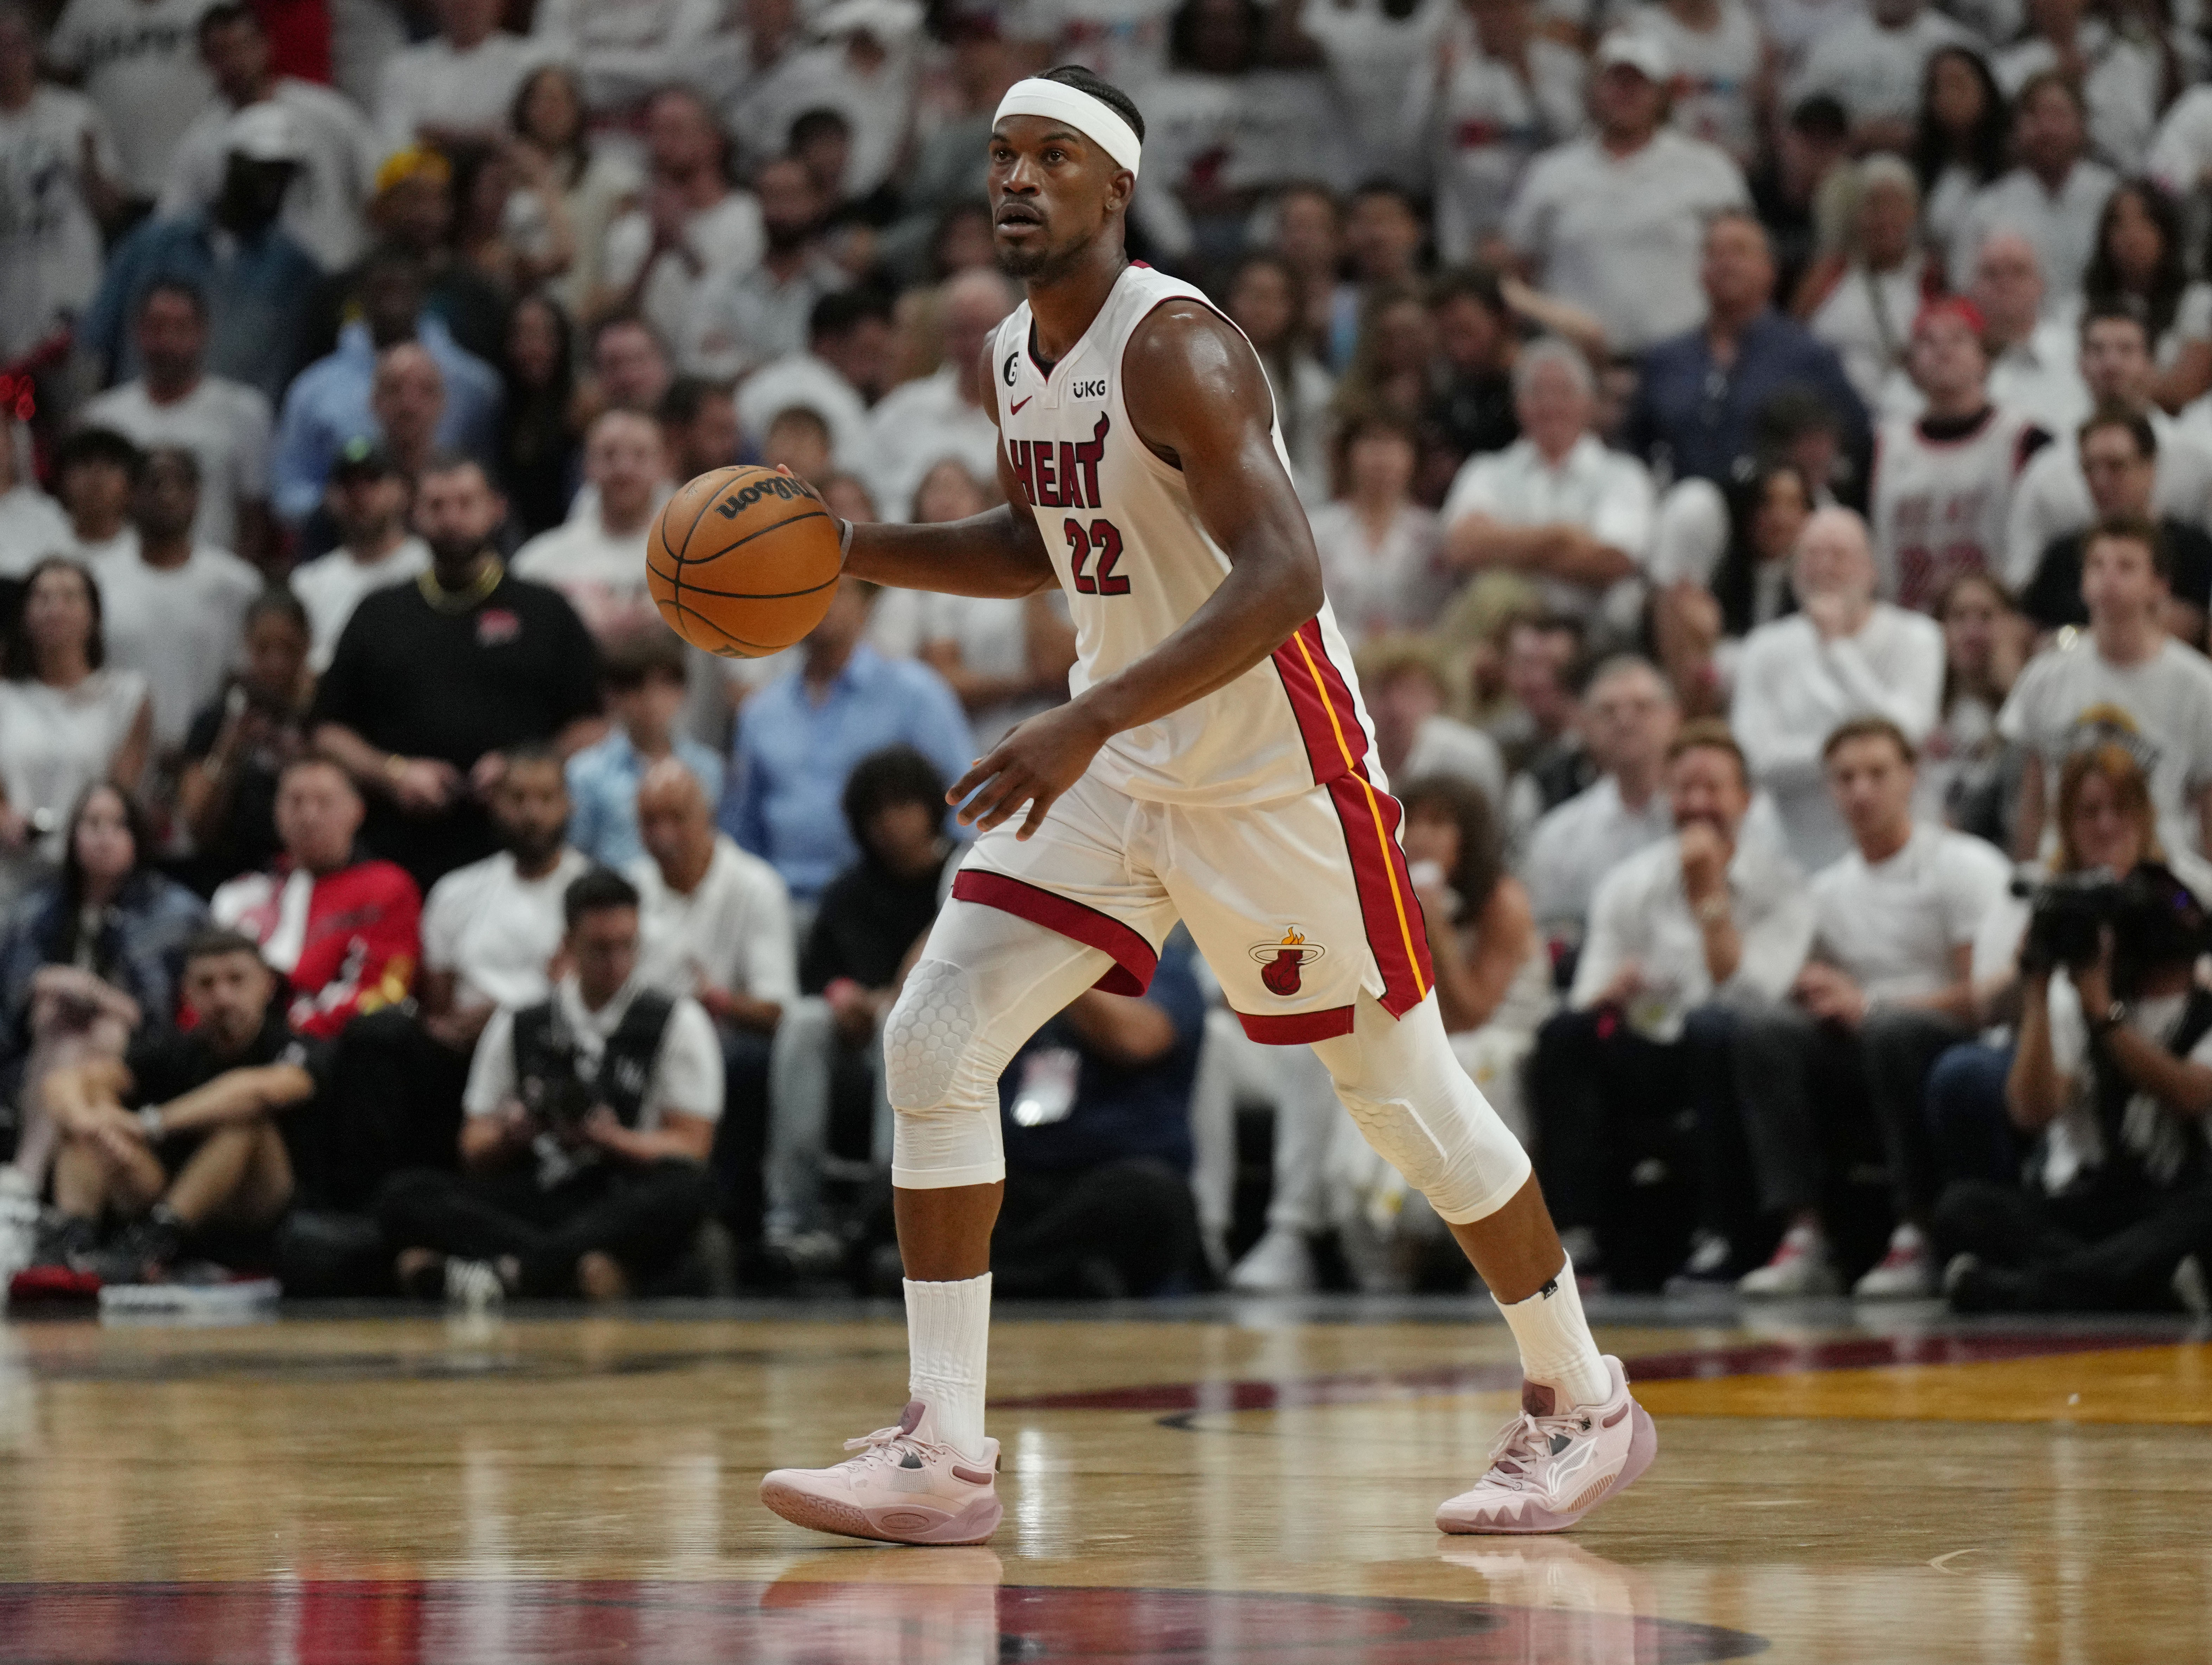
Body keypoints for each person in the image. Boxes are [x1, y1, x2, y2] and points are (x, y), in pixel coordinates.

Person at [758, 66, 1657, 1549]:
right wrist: (847, 547)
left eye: (1053, 157)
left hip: (1270, 774)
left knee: (1401, 1100)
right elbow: (1044, 540)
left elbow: (1284, 573)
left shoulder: (1176, 347)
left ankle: (1582, 1402)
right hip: (1121, 765)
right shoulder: (1010, 354)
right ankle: (943, 1449)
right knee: (931, 1035)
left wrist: (1082, 713)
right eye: (1000, 157)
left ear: (1116, 189)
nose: (1017, 181)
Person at [1705, 717, 2010, 1299]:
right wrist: (1812, 987)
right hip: (1865, 1040)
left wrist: (1868, 1001)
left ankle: (1917, 1231)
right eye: (1845, 778)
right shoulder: (1825, 889)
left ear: (1910, 779)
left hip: (1947, 1042)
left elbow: (1984, 998)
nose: (1861, 790)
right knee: (1764, 1031)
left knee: (1889, 1029)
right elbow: (1780, 982)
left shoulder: (1963, 866)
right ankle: (1804, 1233)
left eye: (1876, 774)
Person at [1528, 722, 1814, 1290]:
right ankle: (1576, 1232)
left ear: (1745, 800)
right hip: (1649, 1044)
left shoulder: (1783, 885)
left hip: (1729, 1053)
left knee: (1717, 1030)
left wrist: (1709, 896)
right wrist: (1612, 992)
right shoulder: (1627, 883)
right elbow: (1588, 993)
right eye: (1684, 789)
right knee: (1563, 1033)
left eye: (1713, 789)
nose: (1697, 804)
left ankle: (1723, 1231)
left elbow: (1753, 997)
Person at [1942, 742, 2212, 1312]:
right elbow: (2031, 1112)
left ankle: (2031, 1290)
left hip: (2181, 1191)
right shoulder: (2056, 926)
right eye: (2088, 812)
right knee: (1965, 1207)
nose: (2105, 825)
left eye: (2119, 810)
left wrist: (2102, 1011)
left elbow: (2191, 1095)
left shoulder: (2184, 901)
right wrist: (2039, 991)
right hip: (2098, 1193)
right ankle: (2146, 1282)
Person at [376, 867, 720, 1302]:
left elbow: (691, 1146)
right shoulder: (519, 1021)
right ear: (568, 945)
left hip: (621, 1192)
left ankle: (510, 1272)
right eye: (599, 949)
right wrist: (511, 1134)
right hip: (538, 1186)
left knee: (690, 1188)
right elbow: (473, 1147)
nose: (615, 963)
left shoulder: (676, 1020)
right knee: (402, 1196)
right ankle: (570, 1269)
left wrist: (614, 1139)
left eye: (626, 947)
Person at [312, 456, 602, 890]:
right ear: (414, 514)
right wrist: (393, 772)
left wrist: (520, 770)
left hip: (521, 854)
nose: (452, 519)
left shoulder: (545, 611)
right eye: (437, 505)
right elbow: (328, 731)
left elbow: (592, 724)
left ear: (496, 509)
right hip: (401, 854)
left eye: (466, 503)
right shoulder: (379, 613)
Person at [15, 930, 322, 1294]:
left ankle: (162, 1234)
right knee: (91, 1110)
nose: (222, 997)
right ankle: (69, 1240)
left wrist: (148, 1123)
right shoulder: (171, 1048)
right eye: (206, 984)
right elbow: (66, 1082)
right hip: (154, 1196)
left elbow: (261, 1090)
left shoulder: (293, 1045)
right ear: (187, 992)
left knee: (243, 1120)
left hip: (256, 1210)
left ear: (268, 985)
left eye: (236, 980)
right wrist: (89, 1121)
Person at [0, 784, 205, 1218]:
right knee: (61, 1019)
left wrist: (96, 993)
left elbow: (157, 1014)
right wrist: (52, 984)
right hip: (41, 1051)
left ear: (138, 837)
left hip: (136, 1059)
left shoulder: (173, 911)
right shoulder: (40, 905)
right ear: (74, 835)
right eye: (92, 824)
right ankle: (38, 1190)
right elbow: (15, 995)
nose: (104, 837)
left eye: (118, 826)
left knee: (101, 1027)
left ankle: (27, 1178)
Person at [722, 576, 974, 907]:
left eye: (836, 590)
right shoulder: (760, 713)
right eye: (807, 590)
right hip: (783, 903)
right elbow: (743, 834)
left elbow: (967, 808)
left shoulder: (917, 695)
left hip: (890, 903)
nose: (821, 603)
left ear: (866, 604)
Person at [631, 759, 795, 1251]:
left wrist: (717, 1002)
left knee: (745, 1063)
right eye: (649, 822)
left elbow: (776, 1012)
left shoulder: (756, 886)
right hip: (639, 1046)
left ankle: (727, 1218)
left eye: (676, 818)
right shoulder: (626, 887)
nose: (663, 836)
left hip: (723, 1046)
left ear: (708, 816)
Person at [1504, 31, 1749, 357]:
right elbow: (1514, 275)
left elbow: (1745, 264)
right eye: (1616, 82)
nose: (1626, 93)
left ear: (1662, 95)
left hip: (1684, 360)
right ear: (1594, 90)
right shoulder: (1550, 173)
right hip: (1574, 361)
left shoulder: (1709, 169)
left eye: (1639, 84)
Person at [990, 930, 1208, 1298]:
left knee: (1150, 1199)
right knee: (914, 1182)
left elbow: (1136, 1040)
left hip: (1108, 1170)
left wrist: (1060, 969)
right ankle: (1056, 1275)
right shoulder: (1007, 961)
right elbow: (915, 1005)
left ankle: (1007, 1273)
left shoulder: (1160, 964)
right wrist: (965, 913)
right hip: (1017, 1173)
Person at [1732, 506, 1945, 871]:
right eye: (1812, 556)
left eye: (1839, 555)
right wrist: (1855, 755)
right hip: (1796, 857)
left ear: (1871, 569)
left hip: (1898, 855)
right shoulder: (1763, 648)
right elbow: (1756, 758)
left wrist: (1836, 650)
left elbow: (1904, 737)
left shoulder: (1917, 637)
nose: (1824, 567)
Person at [1999, 516, 2212, 872]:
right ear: (2083, 581)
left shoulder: (2196, 685)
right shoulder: (2044, 676)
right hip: (2063, 871)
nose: (2108, 578)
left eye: (2125, 566)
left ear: (2158, 585)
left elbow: (2207, 804)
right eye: (2097, 565)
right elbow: (2032, 798)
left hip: (2161, 876)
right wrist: (2027, 875)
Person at [76, 105, 324, 405]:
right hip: (143, 424)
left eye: (284, 174)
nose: (273, 186)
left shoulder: (296, 270)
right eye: (263, 171)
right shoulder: (156, 245)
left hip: (237, 436)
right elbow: (96, 339)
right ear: (231, 166)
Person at [1623, 210, 1870, 491]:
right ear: (1700, 271)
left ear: (1770, 268)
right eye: (1713, 254)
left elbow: (1856, 438)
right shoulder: (1665, 360)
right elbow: (1633, 449)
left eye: (1739, 252)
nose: (1725, 264)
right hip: (1683, 508)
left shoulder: (1808, 356)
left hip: (1778, 513)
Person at [270, 251, 503, 528]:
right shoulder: (312, 390)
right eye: (382, 289)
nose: (408, 405)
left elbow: (495, 475)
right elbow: (289, 487)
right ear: (375, 402)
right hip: (346, 535)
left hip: (452, 530)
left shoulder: (474, 385)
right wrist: (345, 504)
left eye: (424, 391)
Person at [1439, 338, 1655, 631]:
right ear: (1518, 405)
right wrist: (1561, 538)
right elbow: (1462, 548)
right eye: (1537, 393)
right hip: (1500, 632)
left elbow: (1613, 561)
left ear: (1588, 404)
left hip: (1590, 632)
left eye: (1564, 392)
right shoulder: (1485, 470)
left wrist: (1504, 547)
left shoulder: (1623, 475)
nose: (1550, 405)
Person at [210, 755, 420, 1040]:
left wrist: (292, 1032)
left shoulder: (388, 886)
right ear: (276, 812)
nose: (309, 816)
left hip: (336, 1046)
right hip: (239, 1043)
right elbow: (201, 988)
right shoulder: (241, 893)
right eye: (295, 802)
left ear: (357, 811)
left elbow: (389, 991)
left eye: (325, 802)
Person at [161, 2, 379, 273]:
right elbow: (173, 228)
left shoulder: (328, 114)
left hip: (334, 275)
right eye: (223, 53)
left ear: (266, 45)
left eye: (244, 47)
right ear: (207, 61)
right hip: (253, 290)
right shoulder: (199, 144)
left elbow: (378, 186)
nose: (236, 62)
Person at [2005, 304, 2212, 588]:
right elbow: (2022, 578)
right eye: (2097, 351)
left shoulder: (2196, 460)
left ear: (2150, 362)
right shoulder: (2045, 472)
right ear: (2079, 364)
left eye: (2126, 350)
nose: (2111, 364)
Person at [1867, 297, 2049, 612]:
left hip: (1996, 620)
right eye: (1928, 341)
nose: (1942, 350)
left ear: (1985, 358)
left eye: (1958, 338)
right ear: (1910, 365)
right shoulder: (1880, 446)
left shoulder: (2024, 440)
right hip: (1906, 621)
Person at [81, 281, 276, 565]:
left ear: (203, 332)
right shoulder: (102, 418)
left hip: (213, 576)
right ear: (137, 332)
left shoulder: (245, 412)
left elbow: (256, 519)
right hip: (121, 577)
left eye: (181, 328)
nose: (168, 341)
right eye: (157, 328)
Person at [94, 447, 262, 761]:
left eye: (179, 484)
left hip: (206, 758)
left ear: (197, 497)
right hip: (116, 753)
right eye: (155, 484)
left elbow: (246, 681)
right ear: (131, 495)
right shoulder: (98, 580)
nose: (167, 495)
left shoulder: (238, 585)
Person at [0, 559, 151, 901]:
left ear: (94, 616)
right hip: (12, 873)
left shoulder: (127, 695)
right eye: (43, 598)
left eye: (70, 597)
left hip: (91, 879)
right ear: (24, 616)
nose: (56, 609)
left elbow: (121, 794)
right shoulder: (5, 698)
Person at [1519, 656, 1680, 947]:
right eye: (1608, 711)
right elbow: (1547, 935)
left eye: (1642, 707)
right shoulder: (1558, 835)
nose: (1625, 721)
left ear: (1673, 717)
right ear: (1584, 725)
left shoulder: (1705, 814)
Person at [595, 87, 764, 362]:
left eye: (675, 130)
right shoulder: (631, 228)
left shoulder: (750, 217)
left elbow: (746, 309)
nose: (662, 142)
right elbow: (612, 321)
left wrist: (683, 246)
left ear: (713, 140)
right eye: (655, 131)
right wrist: (654, 251)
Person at [2021, 407, 2212, 645]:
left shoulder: (2193, 550)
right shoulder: (2061, 557)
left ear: (2149, 468)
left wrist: (2073, 638)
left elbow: (2190, 626)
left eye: (2116, 466)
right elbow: (2028, 632)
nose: (2101, 481)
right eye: (2090, 468)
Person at [0, 1, 118, 367]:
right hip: (10, 296)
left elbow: (112, 209)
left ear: (35, 49)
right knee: (16, 413)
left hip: (74, 287)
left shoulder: (75, 112)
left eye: (17, 45)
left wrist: (89, 164)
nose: (9, 57)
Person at [175, 587, 316, 885]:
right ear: (246, 645)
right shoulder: (215, 721)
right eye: (263, 649)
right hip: (229, 876)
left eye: (288, 648)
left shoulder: (326, 720)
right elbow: (196, 822)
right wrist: (231, 745)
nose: (276, 662)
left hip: (311, 878)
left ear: (307, 645)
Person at [1649, 462, 1815, 711]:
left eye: (1792, 505)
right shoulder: (1720, 559)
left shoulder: (1815, 571)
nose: (1779, 520)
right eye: (1767, 504)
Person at [1950, 73, 2118, 312]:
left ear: (2082, 124)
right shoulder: (1985, 209)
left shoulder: (2113, 199)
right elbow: (1965, 292)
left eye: (2058, 115)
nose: (2047, 129)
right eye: (2034, 116)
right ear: (2016, 128)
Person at [864, 268, 1015, 525]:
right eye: (960, 331)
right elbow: (861, 496)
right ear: (943, 336)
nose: (972, 343)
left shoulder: (1035, 413)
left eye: (985, 329)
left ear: (1014, 332)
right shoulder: (901, 411)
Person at [565, 632, 725, 872]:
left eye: (666, 685)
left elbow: (716, 846)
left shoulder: (708, 767)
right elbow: (575, 857)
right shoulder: (585, 772)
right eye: (635, 688)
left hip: (692, 899)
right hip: (615, 898)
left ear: (683, 692)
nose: (651, 700)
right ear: (612, 697)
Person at [510, 410, 670, 641]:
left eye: (640, 455)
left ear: (665, 464)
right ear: (586, 465)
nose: (624, 469)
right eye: (609, 455)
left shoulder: (699, 562)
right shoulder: (538, 564)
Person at [46, 0, 217, 210]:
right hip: (113, 184)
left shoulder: (207, 5)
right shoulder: (87, 7)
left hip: (194, 178)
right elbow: (56, 76)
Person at [286, 440, 430, 674]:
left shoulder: (430, 567)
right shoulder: (307, 584)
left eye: (372, 481)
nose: (359, 494)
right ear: (331, 497)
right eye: (348, 484)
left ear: (403, 491)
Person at [1308, 413, 1449, 648]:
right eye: (1372, 443)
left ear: (1413, 456)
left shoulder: (1435, 535)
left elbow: (1444, 618)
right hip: (1336, 664)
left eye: (1394, 445)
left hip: (1416, 666)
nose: (1382, 459)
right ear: (1348, 454)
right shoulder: (1316, 531)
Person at [1804, 156, 1929, 412]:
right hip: (1829, 410)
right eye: (1874, 206)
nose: (1885, 218)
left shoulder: (1932, 278)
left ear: (1913, 213)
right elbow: (1795, 341)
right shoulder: (1828, 273)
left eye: (1895, 206)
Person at [2082, 182, 2212, 413]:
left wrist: (2113, 378)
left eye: (2144, 222)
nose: (2131, 235)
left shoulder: (2197, 300)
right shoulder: (2086, 302)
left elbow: (2188, 388)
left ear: (2165, 231)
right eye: (2119, 224)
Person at [1788, 0, 1969, 154]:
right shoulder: (1830, 47)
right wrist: (1850, 134)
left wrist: (1921, 135)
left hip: (1935, 162)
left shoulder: (1958, 46)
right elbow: (1798, 116)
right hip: (1846, 163)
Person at [374, 0, 543, 158]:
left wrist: (446, 137)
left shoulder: (530, 62)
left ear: (499, 4)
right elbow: (393, 146)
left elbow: (529, 140)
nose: (465, 5)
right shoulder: (403, 68)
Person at [1970, 232, 2091, 438]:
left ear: (2041, 284)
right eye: (1991, 273)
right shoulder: (1950, 359)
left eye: (2018, 272)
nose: (2004, 283)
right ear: (1972, 286)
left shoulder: (2079, 354)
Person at [1913, 45, 2011, 268]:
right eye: (1938, 88)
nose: (1948, 97)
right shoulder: (1923, 170)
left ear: (1985, 90)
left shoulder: (2015, 163)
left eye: (1958, 85)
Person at [496, 293, 583, 541]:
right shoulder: (501, 407)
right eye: (521, 337)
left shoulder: (583, 408)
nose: (532, 348)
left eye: (543, 337)